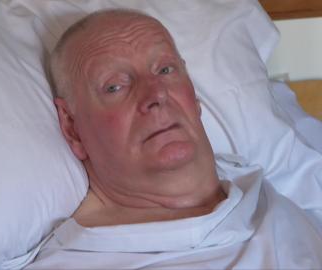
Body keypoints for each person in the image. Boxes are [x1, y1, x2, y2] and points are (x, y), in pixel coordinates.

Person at [25, 9, 322, 269]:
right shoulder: (78, 261)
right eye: (115, 86)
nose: (156, 94)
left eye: (165, 70)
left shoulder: (260, 186)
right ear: (72, 127)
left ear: (193, 94)